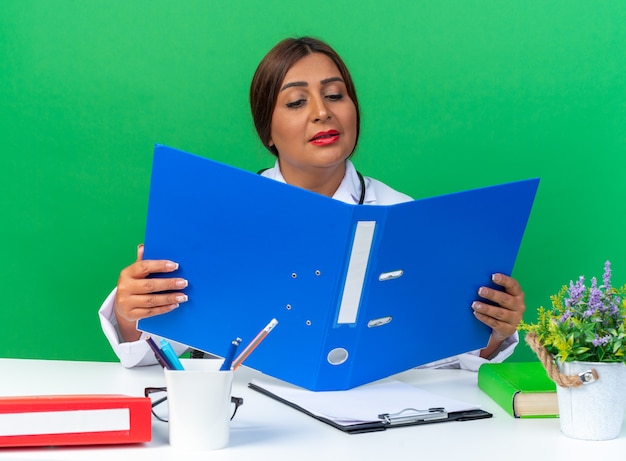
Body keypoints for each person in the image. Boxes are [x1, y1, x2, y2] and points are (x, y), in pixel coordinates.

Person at [99, 36, 525, 370]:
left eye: (335, 95)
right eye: (297, 101)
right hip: (245, 421)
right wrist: (130, 310)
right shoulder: (218, 215)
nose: (322, 113)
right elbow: (148, 353)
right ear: (267, 129)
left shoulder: (403, 216)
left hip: (369, 419)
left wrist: (490, 331)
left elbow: (444, 358)